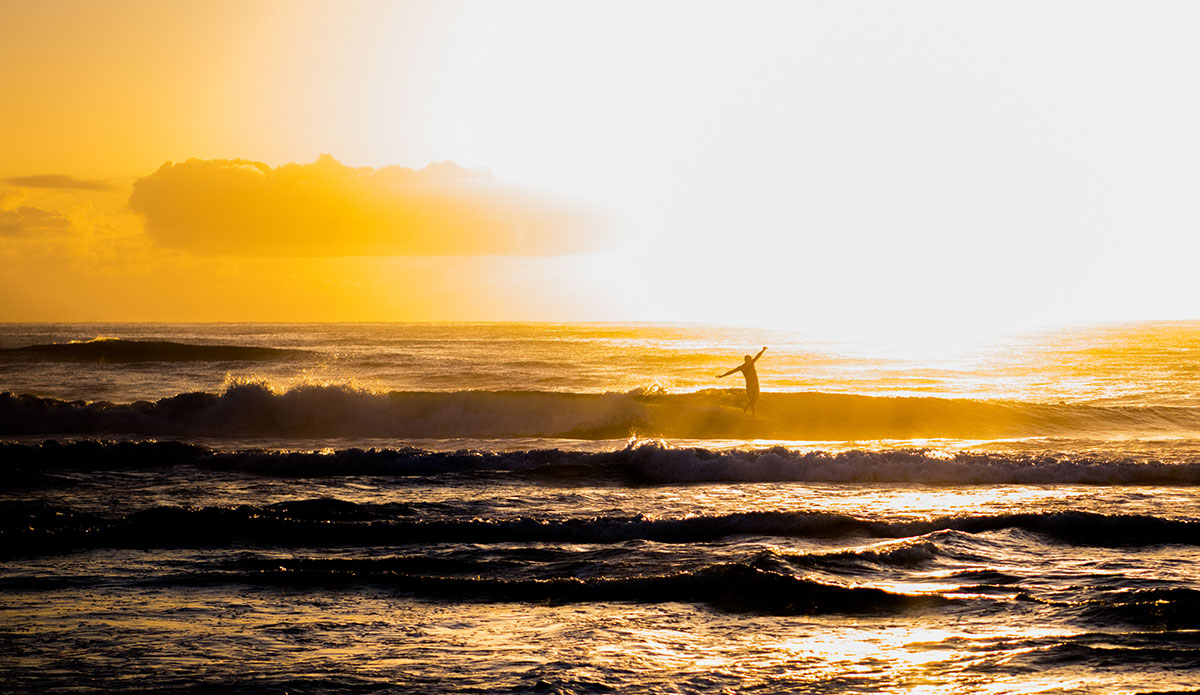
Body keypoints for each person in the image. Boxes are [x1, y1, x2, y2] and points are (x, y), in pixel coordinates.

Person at [718, 346, 767, 415]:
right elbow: (732, 371)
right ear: (746, 360)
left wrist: (763, 350)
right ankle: (753, 414)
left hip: (756, 383)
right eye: (749, 359)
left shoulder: (752, 363)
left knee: (755, 398)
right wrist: (722, 376)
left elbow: (757, 356)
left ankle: (747, 407)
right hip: (749, 384)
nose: (751, 360)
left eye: (751, 359)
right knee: (751, 399)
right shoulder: (742, 367)